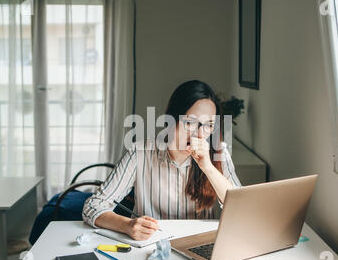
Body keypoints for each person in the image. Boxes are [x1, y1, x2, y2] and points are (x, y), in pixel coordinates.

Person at [82, 80, 241, 240]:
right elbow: (92, 206)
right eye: (190, 122)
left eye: (208, 125)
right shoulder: (140, 152)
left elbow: (240, 208)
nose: (199, 135)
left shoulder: (218, 152)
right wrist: (127, 225)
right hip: (151, 244)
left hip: (198, 243)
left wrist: (208, 168)